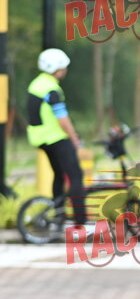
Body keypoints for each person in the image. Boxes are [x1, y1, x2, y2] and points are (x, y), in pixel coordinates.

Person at [26, 48, 90, 229]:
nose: (65, 70)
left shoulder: (36, 84)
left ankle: (59, 217)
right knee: (75, 176)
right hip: (56, 138)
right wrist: (74, 138)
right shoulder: (52, 88)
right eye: (64, 67)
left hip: (40, 138)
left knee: (59, 175)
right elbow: (62, 119)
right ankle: (81, 222)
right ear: (58, 69)